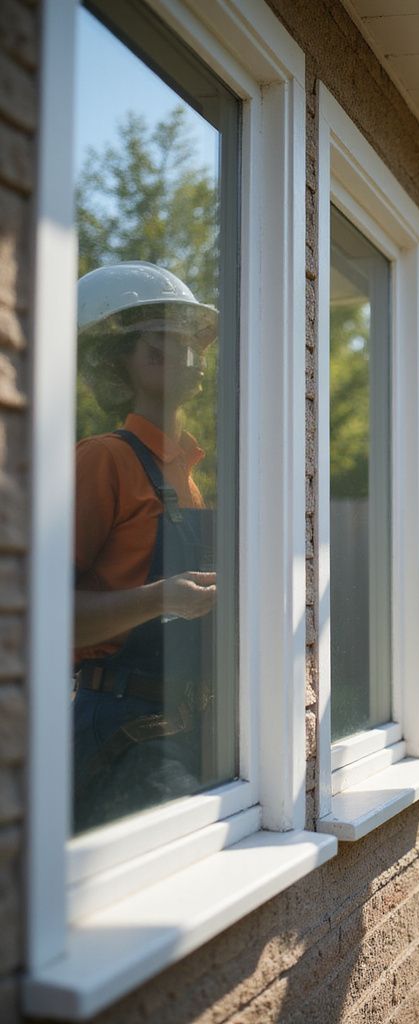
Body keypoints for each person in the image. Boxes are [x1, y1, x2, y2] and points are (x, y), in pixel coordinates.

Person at [73, 260, 219, 833]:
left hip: (185, 726)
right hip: (119, 728)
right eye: (159, 342)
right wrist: (160, 598)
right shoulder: (103, 459)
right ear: (119, 364)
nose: (186, 353)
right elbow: (40, 618)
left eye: (186, 339)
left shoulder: (187, 472)